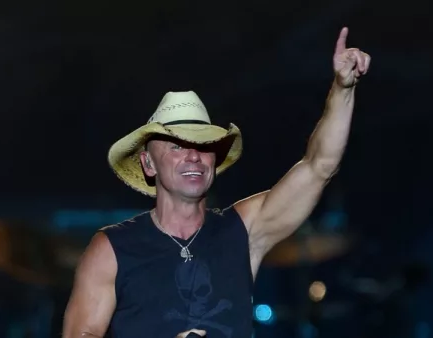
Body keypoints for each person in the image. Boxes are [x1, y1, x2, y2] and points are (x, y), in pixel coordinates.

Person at [62, 27, 371, 338]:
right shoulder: (112, 248)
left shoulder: (243, 230)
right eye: (178, 146)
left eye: (203, 145)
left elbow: (319, 166)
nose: (194, 156)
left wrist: (343, 88)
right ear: (148, 163)